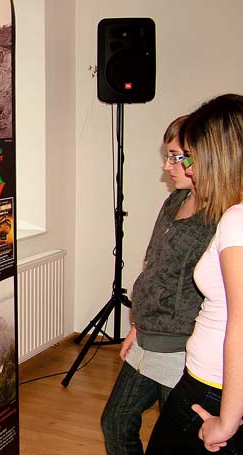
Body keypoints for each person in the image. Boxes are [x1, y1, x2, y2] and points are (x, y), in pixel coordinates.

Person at [101, 115, 216, 455]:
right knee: (115, 423)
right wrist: (137, 325)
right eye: (168, 156)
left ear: (204, 157)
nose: (167, 166)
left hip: (183, 349)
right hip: (149, 337)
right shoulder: (175, 201)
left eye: (176, 157)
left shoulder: (221, 218)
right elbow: (155, 265)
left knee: (173, 443)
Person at [145, 94, 243, 454]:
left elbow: (240, 321)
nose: (188, 168)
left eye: (192, 157)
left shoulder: (236, 220)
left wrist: (228, 418)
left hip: (213, 387)